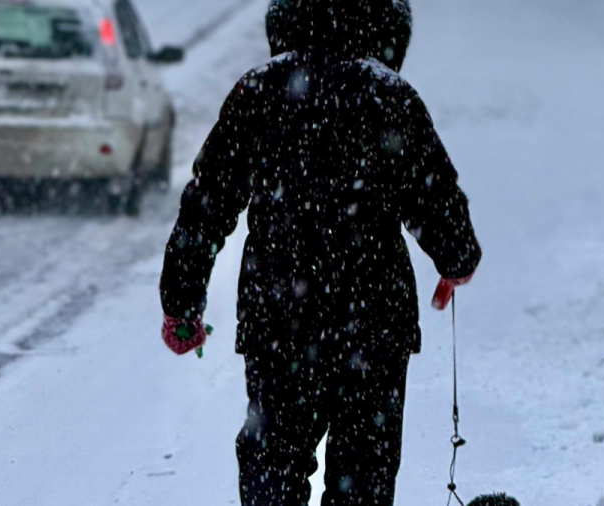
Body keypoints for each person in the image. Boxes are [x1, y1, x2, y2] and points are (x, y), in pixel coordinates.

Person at [159, 0, 481, 504]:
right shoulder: (390, 96)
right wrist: (456, 261)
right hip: (373, 326)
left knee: (273, 469)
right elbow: (439, 205)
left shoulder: (258, 92)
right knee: (363, 478)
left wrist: (181, 301)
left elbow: (207, 203)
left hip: (279, 320)